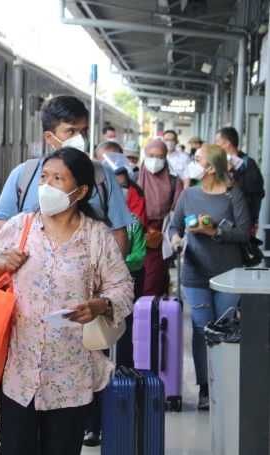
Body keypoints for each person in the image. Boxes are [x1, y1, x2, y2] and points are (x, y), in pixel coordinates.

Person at [0, 147, 134, 455]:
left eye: (58, 178)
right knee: (14, 448)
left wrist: (99, 305)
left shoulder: (96, 236)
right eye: (44, 177)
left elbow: (124, 287)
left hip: (71, 375)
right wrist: (3, 264)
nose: (47, 185)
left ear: (81, 191)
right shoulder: (21, 226)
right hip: (19, 371)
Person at [0, 95, 134, 259]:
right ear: (49, 137)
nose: (81, 139)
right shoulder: (24, 174)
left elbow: (118, 232)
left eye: (84, 131)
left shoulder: (103, 176)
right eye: (71, 131)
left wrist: (114, 277)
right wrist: (33, 234)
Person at [168, 143, 251, 410]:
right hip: (195, 272)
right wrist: (176, 239)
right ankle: (205, 388)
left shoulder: (232, 196)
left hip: (228, 274)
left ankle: (224, 383)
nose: (193, 162)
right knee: (202, 329)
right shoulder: (189, 194)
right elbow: (175, 225)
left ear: (211, 167)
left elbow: (243, 234)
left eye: (197, 159)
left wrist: (215, 232)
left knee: (225, 329)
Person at [83, 165, 147, 447]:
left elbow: (136, 257)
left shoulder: (127, 224)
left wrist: (110, 277)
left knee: (106, 355)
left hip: (106, 300)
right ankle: (90, 423)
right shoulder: (81, 222)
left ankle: (103, 419)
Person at [138, 139, 183, 297]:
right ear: (145, 155)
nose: (155, 160)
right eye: (151, 155)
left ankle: (148, 319)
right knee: (148, 283)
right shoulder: (134, 177)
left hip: (159, 239)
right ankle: (157, 317)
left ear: (165, 158)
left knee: (149, 286)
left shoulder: (174, 182)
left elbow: (178, 212)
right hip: (135, 241)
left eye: (160, 156)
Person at [214, 127, 265, 227]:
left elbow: (253, 187)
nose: (215, 145)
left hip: (243, 217)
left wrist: (232, 171)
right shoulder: (217, 163)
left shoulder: (247, 163)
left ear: (227, 144)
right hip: (220, 215)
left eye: (217, 142)